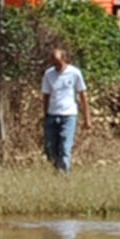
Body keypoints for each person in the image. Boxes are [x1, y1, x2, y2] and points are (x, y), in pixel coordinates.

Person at [40, 39, 85, 171]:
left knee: (65, 147)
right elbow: (45, 95)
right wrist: (45, 114)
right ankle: (57, 169)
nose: (56, 66)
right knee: (51, 149)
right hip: (52, 115)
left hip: (68, 115)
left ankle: (64, 175)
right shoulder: (49, 74)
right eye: (54, 62)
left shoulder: (75, 73)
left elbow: (83, 94)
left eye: (58, 62)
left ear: (64, 59)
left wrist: (87, 119)